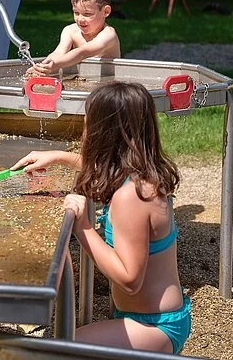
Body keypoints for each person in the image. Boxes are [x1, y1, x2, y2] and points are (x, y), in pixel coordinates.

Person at [11, 81, 190, 354]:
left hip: (153, 327)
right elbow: (103, 165)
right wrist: (57, 157)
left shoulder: (132, 198)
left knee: (52, 352)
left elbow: (130, 280)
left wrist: (83, 228)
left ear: (102, 132)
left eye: (87, 122)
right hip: (145, 318)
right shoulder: (141, 172)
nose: (84, 130)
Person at [27, 0, 120, 77]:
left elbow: (83, 52)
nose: (80, 19)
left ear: (106, 11)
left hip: (109, 85)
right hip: (84, 80)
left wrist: (55, 65)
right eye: (76, 13)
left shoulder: (108, 35)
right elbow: (59, 52)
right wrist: (43, 67)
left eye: (87, 14)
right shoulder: (70, 31)